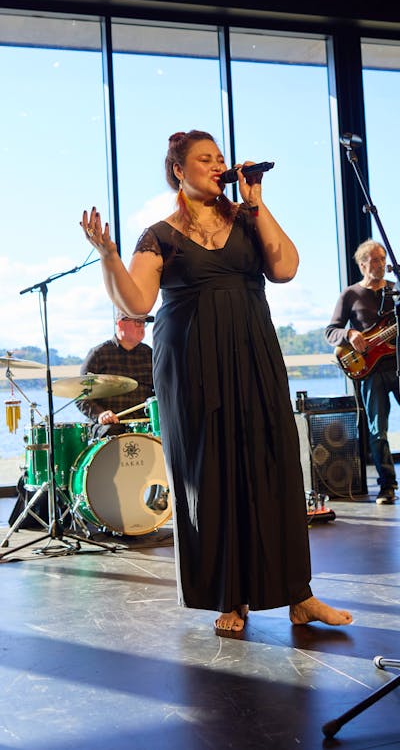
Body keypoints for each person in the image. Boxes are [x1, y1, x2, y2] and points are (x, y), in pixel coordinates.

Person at [81, 129, 352, 635]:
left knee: (274, 464)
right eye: (205, 159)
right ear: (180, 170)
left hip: (252, 350)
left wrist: (257, 203)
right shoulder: (159, 235)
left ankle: (299, 595)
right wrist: (107, 254)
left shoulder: (247, 220)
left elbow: (287, 268)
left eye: (220, 158)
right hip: (192, 361)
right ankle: (230, 596)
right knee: (211, 474)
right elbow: (137, 303)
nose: (217, 165)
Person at [325, 238, 399, 505]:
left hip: (398, 364)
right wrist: (350, 333)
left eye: (383, 259)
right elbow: (330, 331)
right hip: (371, 371)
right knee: (377, 430)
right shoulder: (350, 295)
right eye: (375, 260)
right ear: (362, 264)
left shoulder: (395, 291)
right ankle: (387, 486)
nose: (381, 265)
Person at [76, 310, 154, 439]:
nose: (142, 326)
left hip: (144, 423)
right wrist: (100, 414)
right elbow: (81, 396)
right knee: (112, 430)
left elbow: (160, 392)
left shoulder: (150, 354)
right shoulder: (98, 354)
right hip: (110, 425)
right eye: (138, 321)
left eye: (144, 322)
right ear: (120, 323)